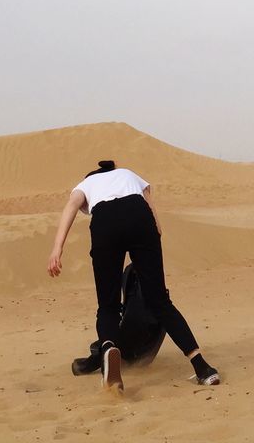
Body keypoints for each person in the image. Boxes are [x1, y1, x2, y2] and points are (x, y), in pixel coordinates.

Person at [47, 160, 221, 391]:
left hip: (105, 222)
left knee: (108, 305)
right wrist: (156, 226)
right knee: (159, 301)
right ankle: (202, 368)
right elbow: (148, 199)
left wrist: (57, 249)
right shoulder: (128, 174)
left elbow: (70, 207)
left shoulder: (87, 183)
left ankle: (109, 349)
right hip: (138, 216)